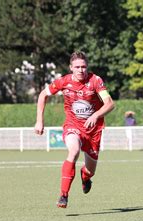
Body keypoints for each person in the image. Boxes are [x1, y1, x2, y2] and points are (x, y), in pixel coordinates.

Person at [34, 51, 115, 208]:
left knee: (91, 170)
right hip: (73, 126)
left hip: (93, 132)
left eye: (83, 66)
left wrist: (96, 115)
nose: (81, 70)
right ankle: (63, 195)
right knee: (74, 150)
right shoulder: (63, 81)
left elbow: (110, 103)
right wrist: (39, 120)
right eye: (77, 67)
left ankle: (85, 177)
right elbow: (43, 95)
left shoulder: (96, 81)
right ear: (71, 68)